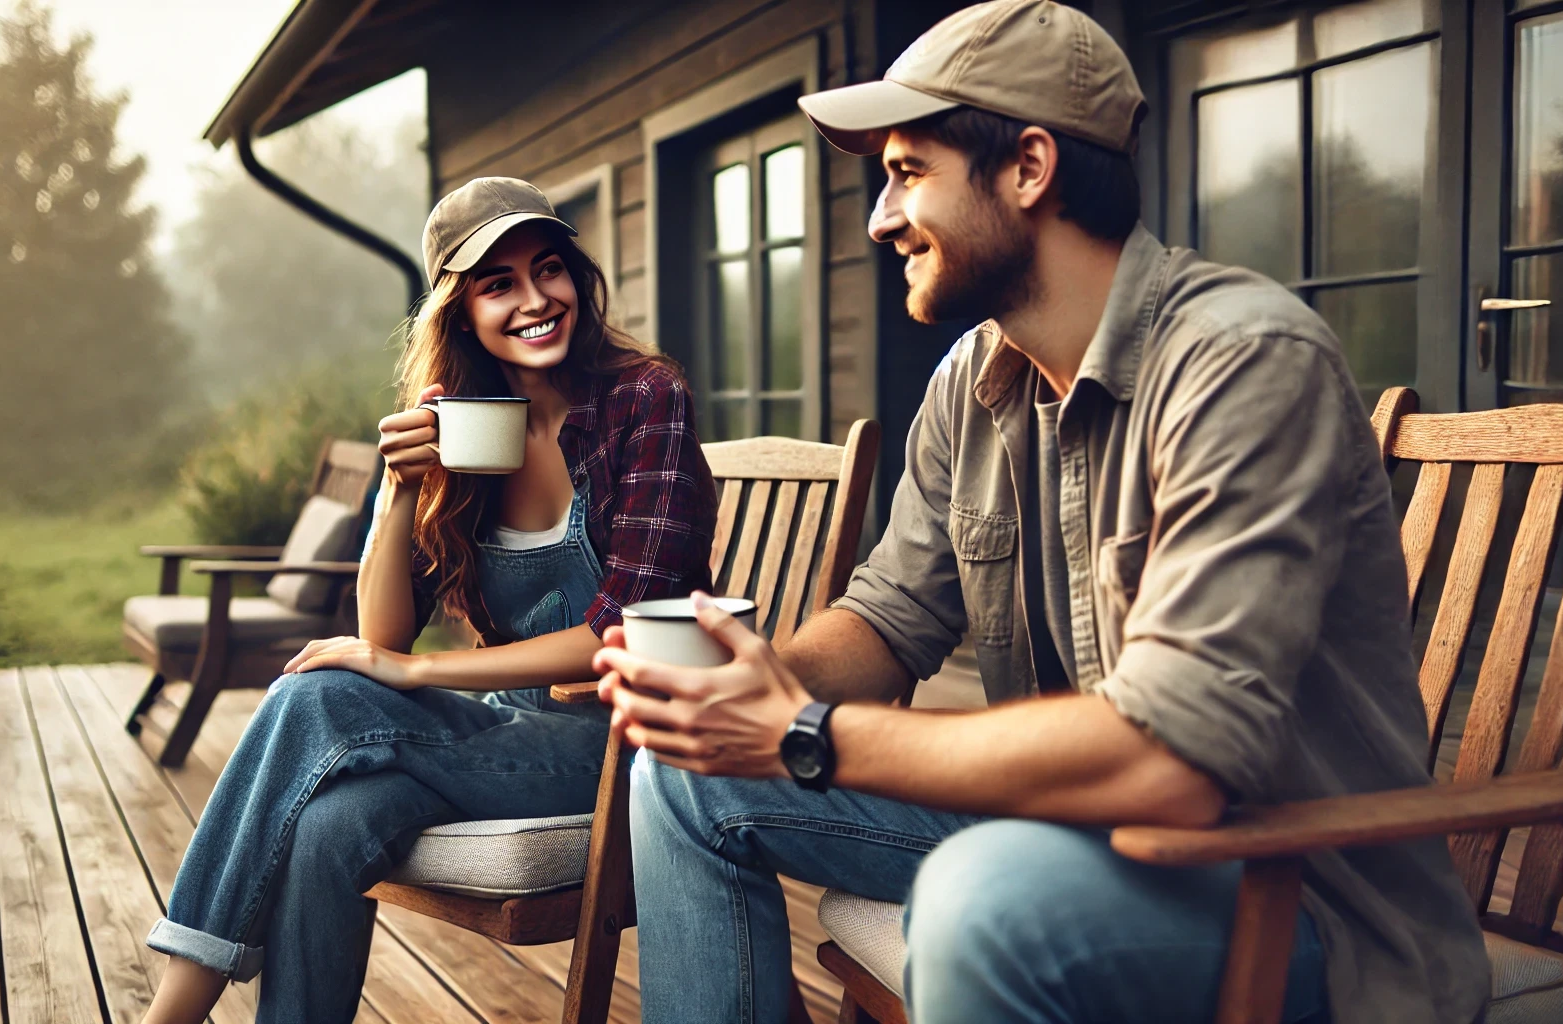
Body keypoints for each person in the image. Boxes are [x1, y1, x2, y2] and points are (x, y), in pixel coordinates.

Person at [593, 3, 1491, 1023]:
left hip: (1294, 890)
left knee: (983, 901)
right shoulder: (976, 380)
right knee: (681, 773)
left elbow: (1176, 759)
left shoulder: (1243, 363)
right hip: (1071, 828)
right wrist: (732, 697)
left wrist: (800, 732)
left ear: (1027, 167)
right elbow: (890, 617)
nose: (881, 220)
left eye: (906, 172)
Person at [139, 176, 717, 1024]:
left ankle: (171, 1013)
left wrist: (411, 675)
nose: (534, 299)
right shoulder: (463, 424)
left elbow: (618, 636)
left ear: (576, 278)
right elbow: (384, 629)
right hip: (512, 735)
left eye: (548, 269)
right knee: (331, 824)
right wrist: (401, 489)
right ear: (462, 311)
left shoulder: (643, 400)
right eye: (498, 284)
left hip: (632, 750)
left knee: (318, 696)